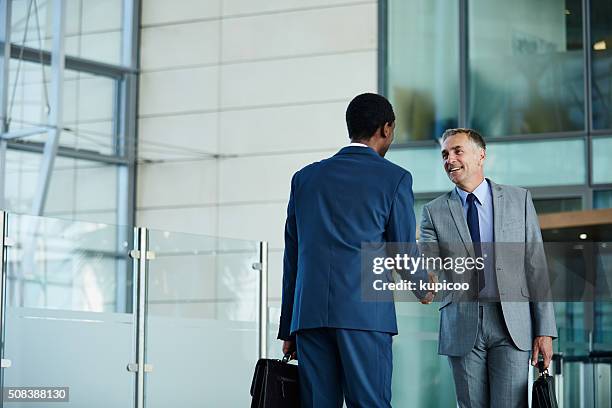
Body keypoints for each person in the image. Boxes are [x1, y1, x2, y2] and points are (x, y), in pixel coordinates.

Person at [277, 93, 428, 407]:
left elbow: (292, 256)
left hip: (310, 318)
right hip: (365, 315)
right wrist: (424, 286)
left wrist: (288, 328)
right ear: (386, 129)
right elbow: (402, 249)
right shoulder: (394, 178)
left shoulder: (305, 179)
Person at [420, 128, 557, 408]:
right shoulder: (433, 211)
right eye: (445, 154)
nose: (449, 159)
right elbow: (430, 261)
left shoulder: (519, 200)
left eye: (457, 151)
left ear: (481, 155)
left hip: (512, 323)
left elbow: (536, 267)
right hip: (461, 321)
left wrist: (545, 330)